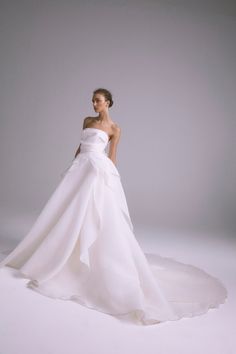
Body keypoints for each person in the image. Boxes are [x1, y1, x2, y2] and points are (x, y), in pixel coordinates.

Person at [0, 88, 227, 326]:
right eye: (92, 100)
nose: (93, 104)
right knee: (69, 209)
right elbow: (80, 147)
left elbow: (112, 155)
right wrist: (73, 166)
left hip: (97, 170)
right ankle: (62, 250)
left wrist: (109, 177)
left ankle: (89, 259)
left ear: (108, 103)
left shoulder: (115, 129)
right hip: (81, 167)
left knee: (92, 211)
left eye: (98, 101)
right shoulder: (87, 121)